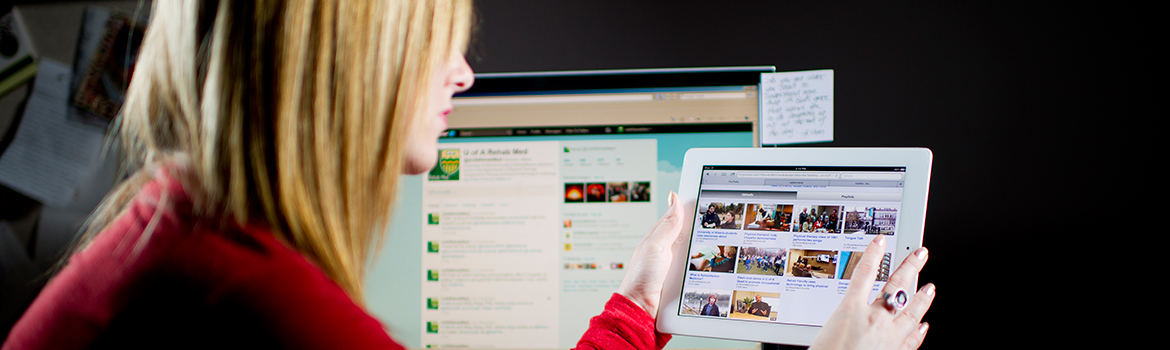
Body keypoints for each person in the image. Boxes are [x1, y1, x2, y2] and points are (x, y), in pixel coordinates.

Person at [3, 1, 935, 350]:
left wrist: (635, 304)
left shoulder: (181, 225)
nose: (464, 74)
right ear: (352, 62)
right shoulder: (264, 307)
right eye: (436, 42)